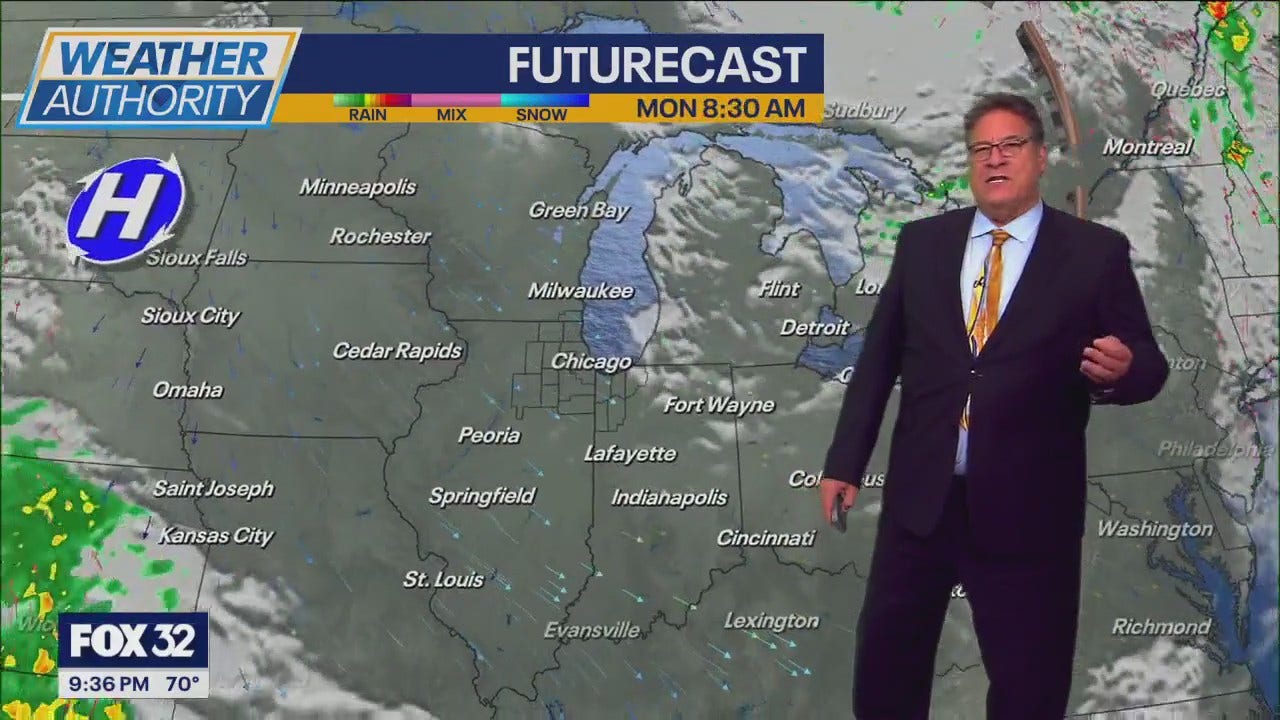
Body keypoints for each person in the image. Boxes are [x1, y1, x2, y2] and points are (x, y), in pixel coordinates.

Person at [819, 92, 1169, 719]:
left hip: (1030, 515)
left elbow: (1148, 363)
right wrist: (846, 461)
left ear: (1040, 157)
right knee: (886, 679)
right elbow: (877, 362)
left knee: (1028, 690)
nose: (994, 159)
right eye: (981, 149)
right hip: (921, 505)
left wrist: (1125, 371)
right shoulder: (923, 244)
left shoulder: (1095, 253)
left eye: (1010, 146)